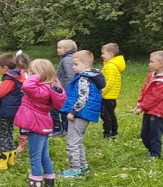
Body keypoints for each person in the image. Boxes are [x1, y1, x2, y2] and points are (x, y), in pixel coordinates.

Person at [13, 59, 67, 187]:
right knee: (44, 156)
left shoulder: (41, 89)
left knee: (35, 157)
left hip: (36, 125)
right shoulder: (50, 88)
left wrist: (36, 75)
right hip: (43, 124)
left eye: (32, 72)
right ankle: (49, 183)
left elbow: (26, 86)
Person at [58, 50, 105, 178]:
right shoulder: (90, 76)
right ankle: (82, 166)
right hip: (84, 114)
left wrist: (73, 112)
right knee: (78, 140)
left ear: (86, 64)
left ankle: (75, 169)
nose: (73, 67)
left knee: (72, 142)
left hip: (79, 113)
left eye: (76, 64)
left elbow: (83, 98)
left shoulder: (84, 78)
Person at [0, 53, 25, 170]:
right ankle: (11, 157)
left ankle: (2, 161)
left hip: (4, 111)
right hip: (12, 110)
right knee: (8, 132)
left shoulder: (9, 79)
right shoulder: (18, 76)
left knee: (0, 134)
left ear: (5, 68)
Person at [133, 51, 163, 159]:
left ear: (161, 63)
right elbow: (145, 90)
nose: (149, 64)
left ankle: (155, 155)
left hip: (157, 112)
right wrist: (140, 102)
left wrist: (142, 107)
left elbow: (154, 98)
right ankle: (151, 151)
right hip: (148, 110)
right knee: (145, 134)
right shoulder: (151, 75)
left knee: (154, 135)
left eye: (152, 62)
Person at [50, 40, 77, 137]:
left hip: (64, 89)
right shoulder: (67, 58)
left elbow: (69, 76)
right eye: (58, 47)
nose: (58, 49)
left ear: (67, 49)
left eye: (60, 48)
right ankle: (64, 128)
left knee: (58, 108)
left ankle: (60, 128)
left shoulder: (67, 60)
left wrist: (62, 89)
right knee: (62, 109)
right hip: (64, 88)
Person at [100, 43, 126, 139]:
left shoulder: (110, 66)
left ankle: (107, 133)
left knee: (105, 115)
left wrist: (102, 92)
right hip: (112, 95)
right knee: (111, 114)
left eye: (103, 53)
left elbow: (109, 82)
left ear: (110, 54)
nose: (102, 55)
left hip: (107, 96)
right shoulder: (112, 65)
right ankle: (114, 131)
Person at [14, 51, 31, 152]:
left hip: (22, 103)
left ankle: (21, 144)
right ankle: (23, 143)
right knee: (24, 124)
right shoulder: (32, 73)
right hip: (26, 103)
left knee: (23, 124)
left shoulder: (20, 74)